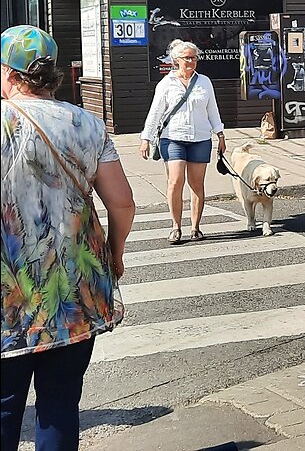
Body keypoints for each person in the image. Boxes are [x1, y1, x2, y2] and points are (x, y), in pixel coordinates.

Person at [1, 25, 136, 451]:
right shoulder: (88, 125)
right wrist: (115, 254)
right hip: (74, 293)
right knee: (59, 406)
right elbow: (123, 204)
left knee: (4, 408)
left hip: (9, 297)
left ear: (10, 73)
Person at [139, 40, 226, 244]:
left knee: (197, 184)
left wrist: (220, 134)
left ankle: (195, 227)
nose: (192, 61)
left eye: (194, 57)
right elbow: (155, 113)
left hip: (200, 138)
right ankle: (176, 227)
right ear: (176, 60)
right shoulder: (166, 84)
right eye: (187, 57)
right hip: (173, 138)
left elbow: (212, 110)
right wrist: (146, 138)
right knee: (175, 182)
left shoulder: (204, 82)